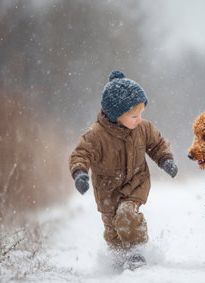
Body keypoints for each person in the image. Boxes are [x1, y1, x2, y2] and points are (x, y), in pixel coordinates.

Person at [69, 70, 178, 269]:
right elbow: (80, 155)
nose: (139, 119)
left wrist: (165, 159)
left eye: (141, 114)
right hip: (107, 190)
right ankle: (118, 260)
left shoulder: (143, 128)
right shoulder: (96, 135)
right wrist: (80, 174)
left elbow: (157, 144)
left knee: (127, 213)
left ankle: (137, 252)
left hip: (136, 182)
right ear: (116, 114)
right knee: (113, 230)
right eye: (134, 115)